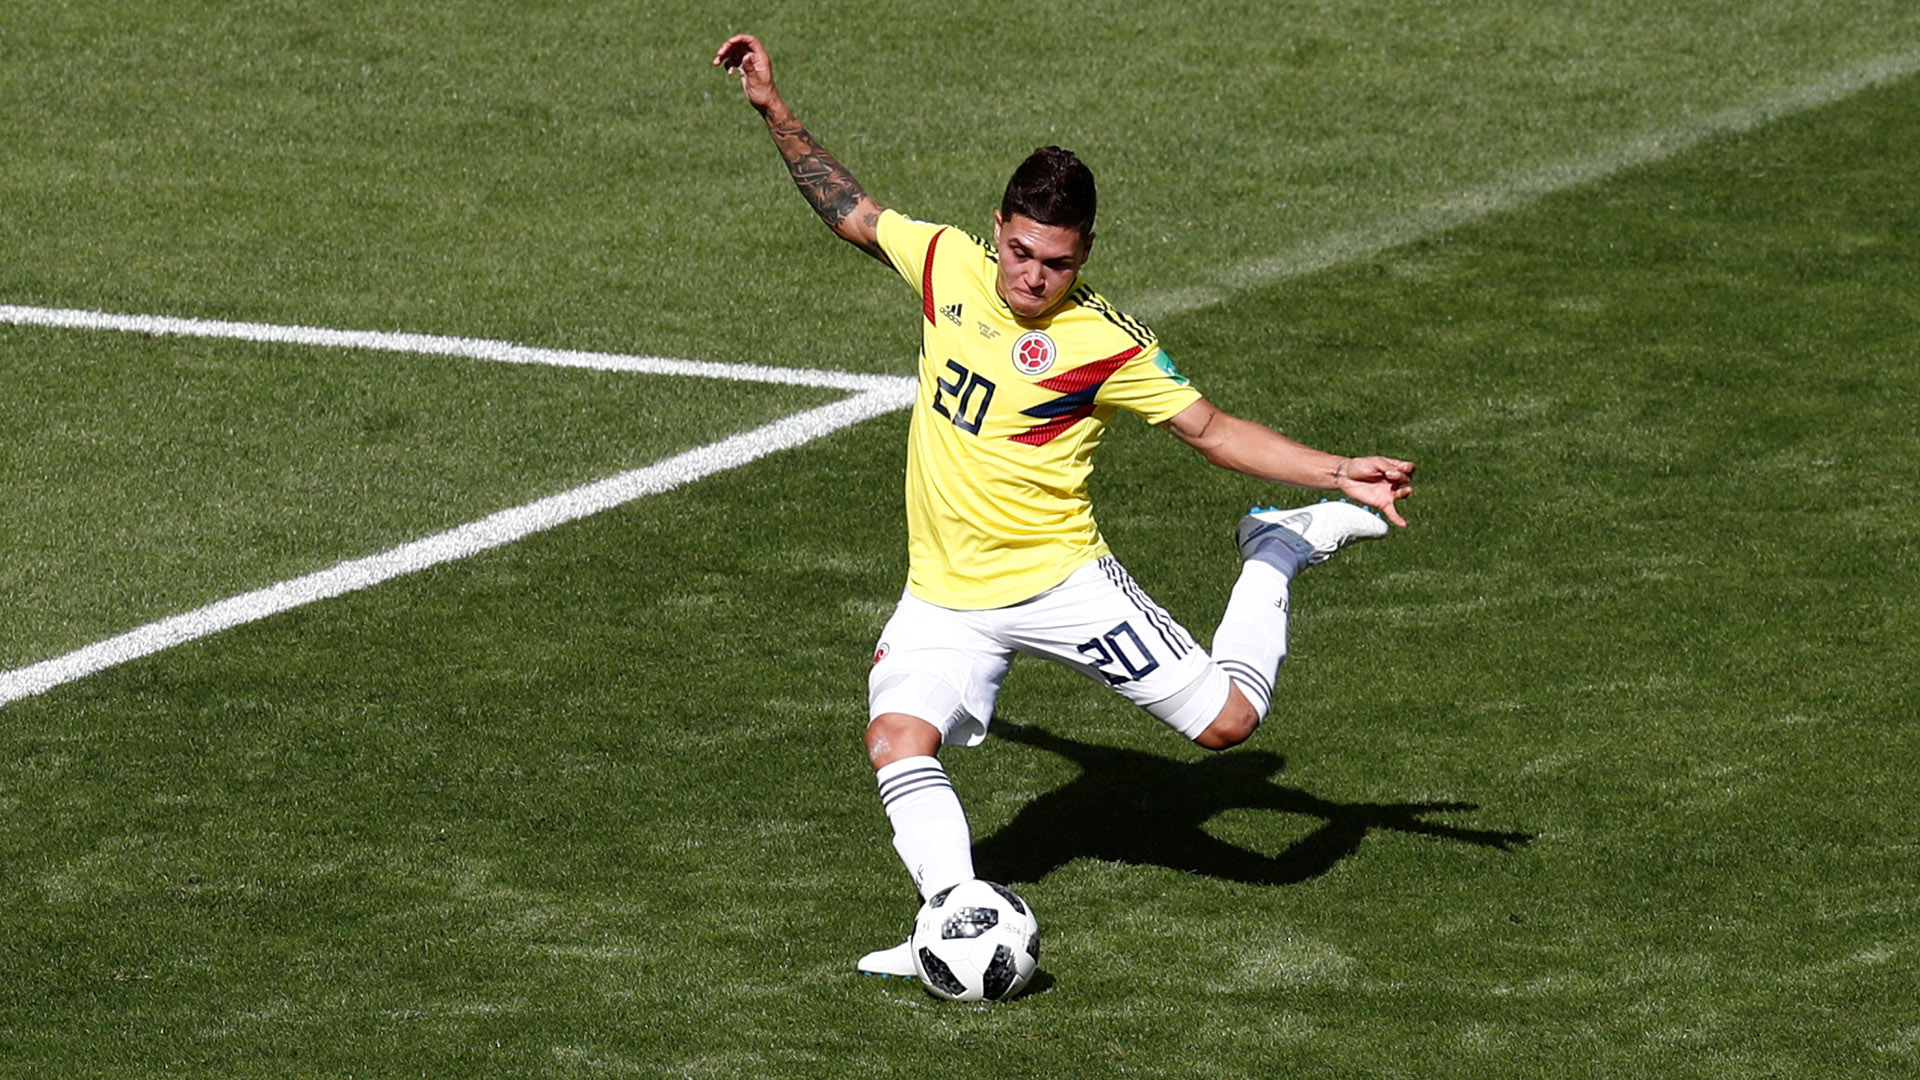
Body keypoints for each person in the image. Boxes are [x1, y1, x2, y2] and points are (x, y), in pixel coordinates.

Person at [715, 34, 1416, 978]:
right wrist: (772, 106)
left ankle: (1275, 551)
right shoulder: (949, 266)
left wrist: (1336, 475)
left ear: (1084, 254)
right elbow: (850, 209)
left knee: (1230, 728)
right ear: (995, 226)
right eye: (1018, 249)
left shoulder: (1106, 341)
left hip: (1062, 585)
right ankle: (953, 919)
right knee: (894, 739)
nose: (1032, 276)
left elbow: (1211, 431)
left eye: (1055, 261)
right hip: (943, 596)